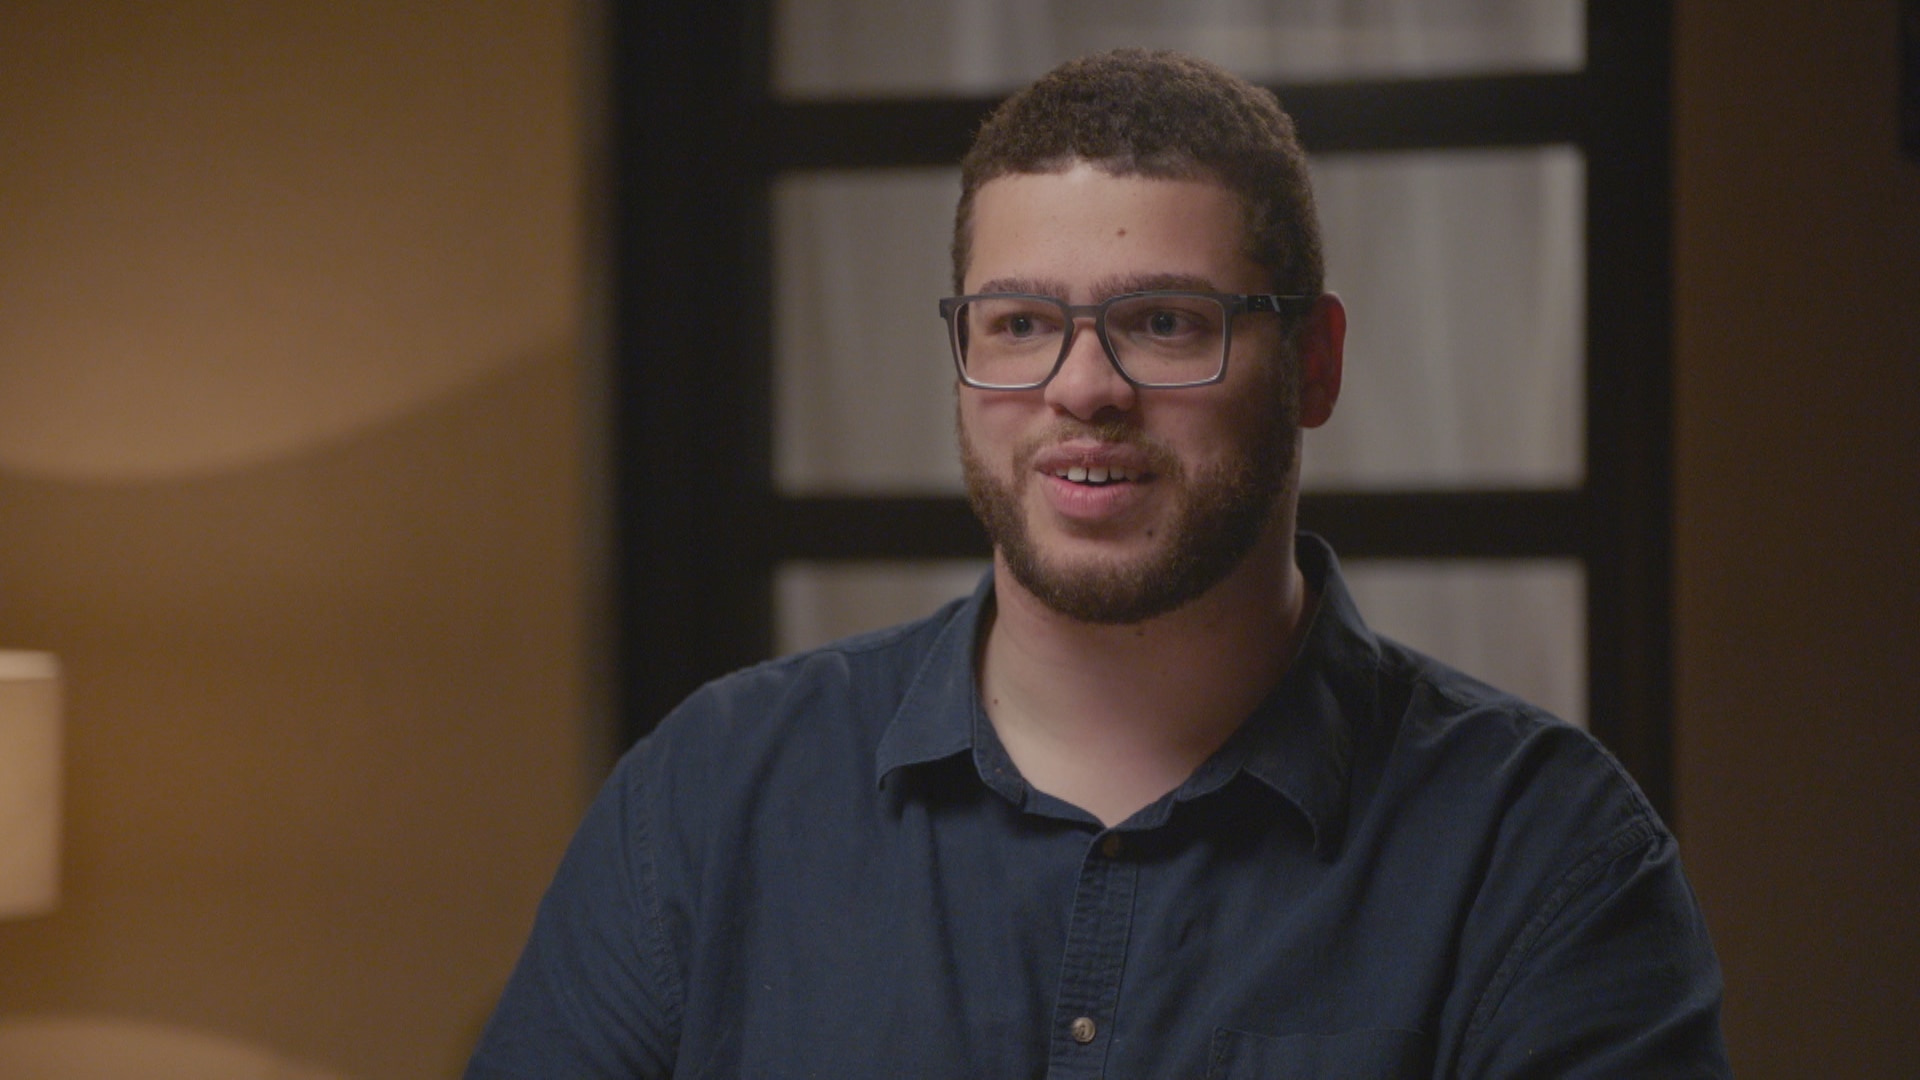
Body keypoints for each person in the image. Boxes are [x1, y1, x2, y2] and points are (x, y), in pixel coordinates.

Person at [467, 49, 1728, 1078]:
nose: (1082, 388)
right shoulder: (708, 800)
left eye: (1163, 322)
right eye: (1019, 323)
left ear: (1316, 366)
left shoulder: (1542, 853)